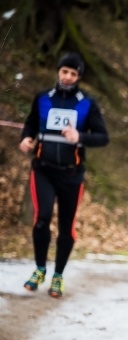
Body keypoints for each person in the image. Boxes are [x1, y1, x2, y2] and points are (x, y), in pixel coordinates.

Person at [19, 52, 109, 298]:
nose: (67, 76)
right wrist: (26, 138)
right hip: (43, 170)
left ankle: (58, 275)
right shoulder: (42, 99)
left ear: (78, 76)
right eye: (64, 71)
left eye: (73, 73)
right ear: (58, 72)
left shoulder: (86, 103)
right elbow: (30, 125)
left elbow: (103, 137)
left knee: (67, 228)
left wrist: (80, 137)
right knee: (42, 218)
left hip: (72, 175)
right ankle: (39, 269)